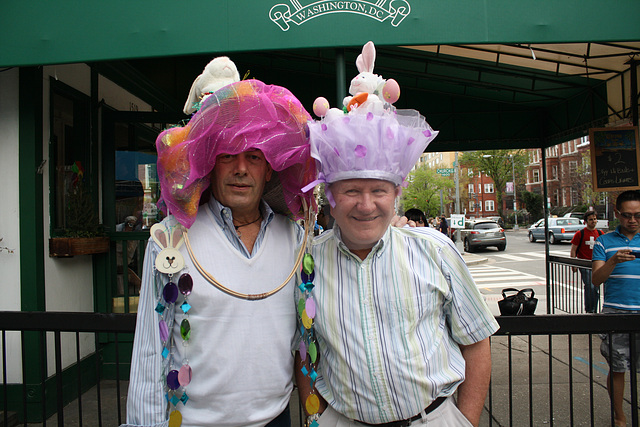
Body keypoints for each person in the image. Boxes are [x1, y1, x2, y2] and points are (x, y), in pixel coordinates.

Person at [295, 71, 499, 427]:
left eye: (378, 191)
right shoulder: (307, 262)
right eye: (351, 191)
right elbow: (304, 353)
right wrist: (317, 419)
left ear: (395, 195)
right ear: (330, 198)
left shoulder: (435, 250)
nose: (366, 204)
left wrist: (465, 422)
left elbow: (476, 340)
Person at [124, 73, 317, 427]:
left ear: (270, 169)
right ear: (209, 163)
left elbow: (305, 342)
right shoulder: (171, 240)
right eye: (228, 155)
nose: (241, 169)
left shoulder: (295, 239)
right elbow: (151, 354)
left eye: (254, 156)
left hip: (276, 420)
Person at [592, 190, 640, 427]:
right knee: (618, 367)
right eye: (628, 215)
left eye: (638, 215)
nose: (633, 220)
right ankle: (620, 417)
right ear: (618, 214)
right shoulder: (604, 241)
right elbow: (596, 279)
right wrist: (613, 261)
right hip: (616, 313)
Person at [569, 210, 604, 313]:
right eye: (591, 220)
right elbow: (573, 249)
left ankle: (594, 308)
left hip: (597, 264)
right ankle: (590, 309)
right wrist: (574, 264)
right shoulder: (580, 234)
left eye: (595, 219)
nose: (593, 221)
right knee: (590, 286)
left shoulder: (600, 233)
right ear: (586, 221)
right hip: (584, 264)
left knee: (595, 287)